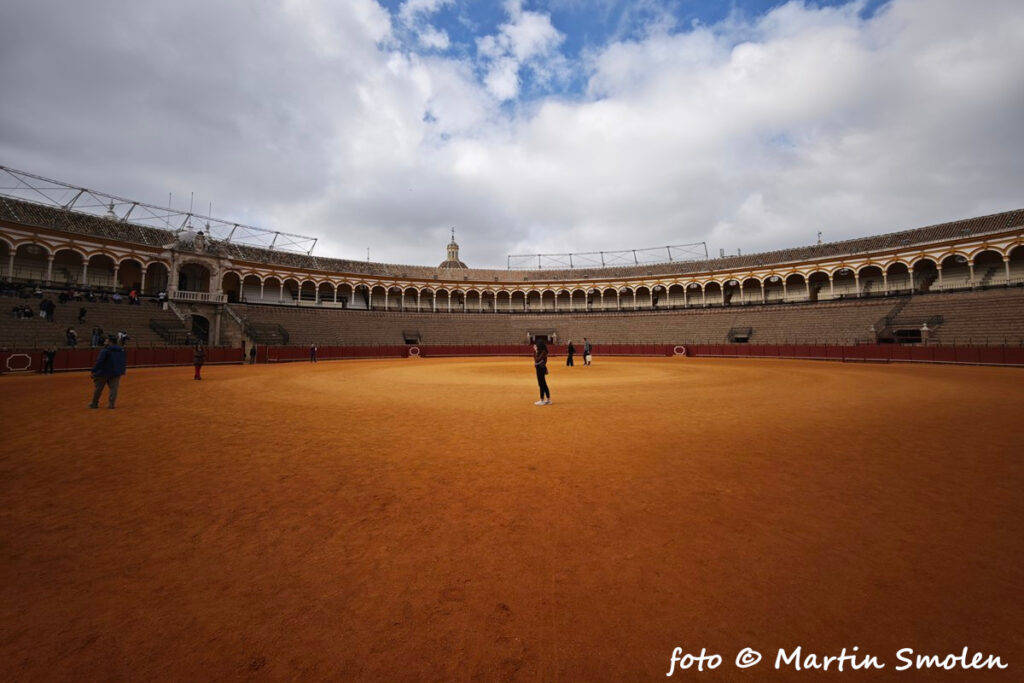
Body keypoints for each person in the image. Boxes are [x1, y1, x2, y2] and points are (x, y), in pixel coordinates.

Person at [89, 335, 126, 409]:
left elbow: (100, 361)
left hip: (103, 372)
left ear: (110, 342)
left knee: (98, 388)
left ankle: (94, 403)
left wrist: (94, 371)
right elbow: (122, 362)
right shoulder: (121, 350)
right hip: (115, 372)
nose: (104, 342)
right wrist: (120, 371)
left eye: (106, 341)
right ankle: (111, 404)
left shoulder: (105, 350)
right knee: (114, 389)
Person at [533, 339, 551, 406]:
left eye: (536, 345)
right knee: (543, 383)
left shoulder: (543, 352)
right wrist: (536, 351)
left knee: (541, 384)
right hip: (540, 368)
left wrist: (536, 351)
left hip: (540, 368)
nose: (535, 346)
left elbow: (537, 360)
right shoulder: (542, 351)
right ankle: (548, 399)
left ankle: (542, 400)